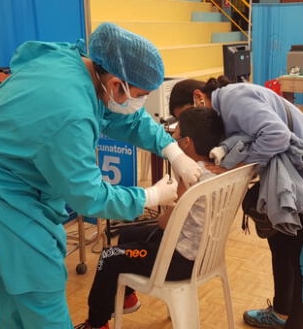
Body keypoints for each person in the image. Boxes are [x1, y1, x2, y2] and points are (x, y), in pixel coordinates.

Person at [0, 22, 203, 329]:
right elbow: (88, 195)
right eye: (138, 95)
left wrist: (170, 150)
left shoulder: (79, 65)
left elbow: (126, 118)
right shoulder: (70, 112)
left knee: (14, 283)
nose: (138, 104)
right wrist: (150, 196)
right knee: (38, 283)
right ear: (115, 84)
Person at [169, 77, 303, 329]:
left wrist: (236, 168)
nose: (189, 127)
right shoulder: (221, 115)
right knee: (281, 246)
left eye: (187, 116)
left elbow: (277, 135)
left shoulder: (234, 98)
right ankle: (280, 313)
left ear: (199, 97)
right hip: (296, 180)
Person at [75, 107, 227, 329]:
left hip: (179, 260)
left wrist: (160, 202)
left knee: (109, 256)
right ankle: (127, 298)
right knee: (129, 233)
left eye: (176, 134)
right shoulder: (218, 168)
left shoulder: (189, 177)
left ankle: (96, 324)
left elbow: (164, 224)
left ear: (187, 143)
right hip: (204, 253)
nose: (172, 138)